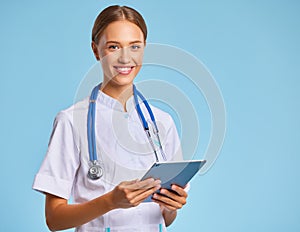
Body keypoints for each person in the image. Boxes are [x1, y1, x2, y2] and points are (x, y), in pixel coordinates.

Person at [33, 5, 188, 232]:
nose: (125, 58)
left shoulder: (162, 123)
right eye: (114, 47)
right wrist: (110, 202)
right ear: (96, 50)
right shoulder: (71, 121)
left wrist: (171, 207)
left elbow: (165, 218)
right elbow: (54, 219)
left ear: (144, 48)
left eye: (134, 46)